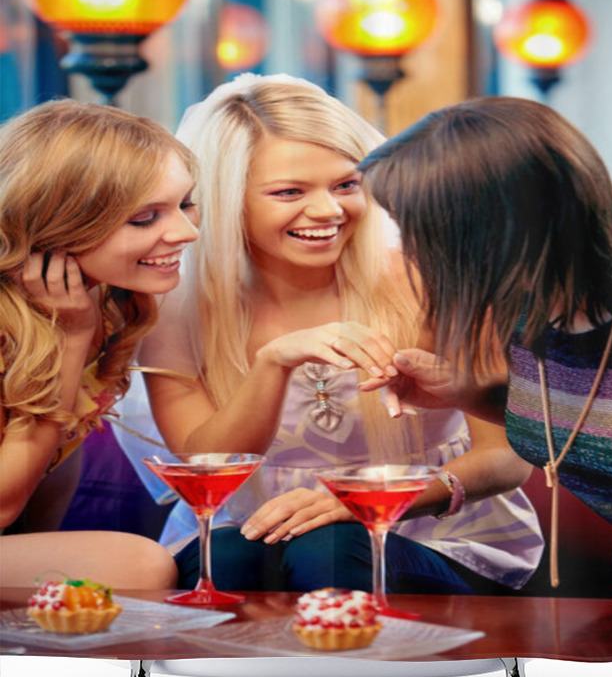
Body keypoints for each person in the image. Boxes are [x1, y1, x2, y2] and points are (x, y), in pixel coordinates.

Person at [130, 74, 543, 595]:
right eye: (289, 192)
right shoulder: (178, 307)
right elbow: (204, 470)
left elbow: (507, 456)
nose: (329, 211)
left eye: (346, 184)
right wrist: (273, 363)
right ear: (227, 198)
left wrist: (363, 503)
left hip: (437, 540)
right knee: (231, 553)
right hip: (256, 535)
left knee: (327, 548)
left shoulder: (437, 281)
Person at [358, 97, 612, 597]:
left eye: (419, 230)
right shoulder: (526, 313)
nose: (411, 251)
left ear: (496, 231)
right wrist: (469, 394)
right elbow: (577, 423)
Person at [0, 99, 198, 589]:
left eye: (185, 204)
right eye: (145, 218)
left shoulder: (102, 305)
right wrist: (70, 344)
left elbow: (55, 466)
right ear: (56, 225)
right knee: (139, 566)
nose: (187, 231)